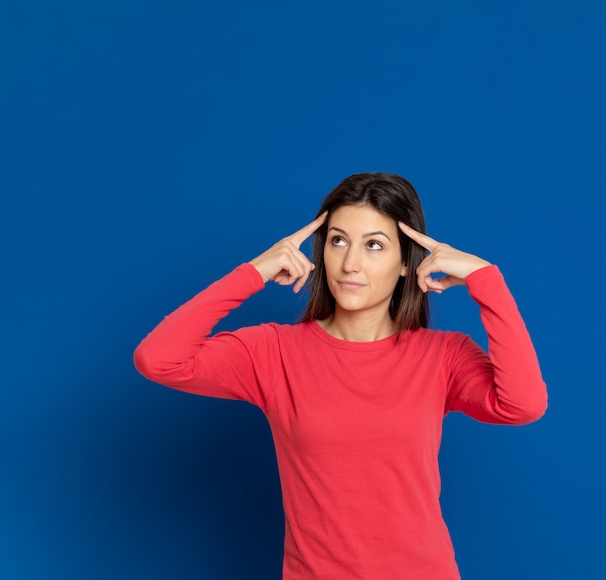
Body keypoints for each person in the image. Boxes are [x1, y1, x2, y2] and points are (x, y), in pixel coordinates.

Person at [134, 172, 547, 579]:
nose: (351, 263)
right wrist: (254, 271)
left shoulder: (442, 356)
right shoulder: (274, 352)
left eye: (374, 246)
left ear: (406, 263)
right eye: (338, 241)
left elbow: (523, 404)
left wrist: (484, 279)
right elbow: (158, 359)